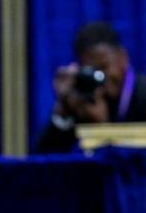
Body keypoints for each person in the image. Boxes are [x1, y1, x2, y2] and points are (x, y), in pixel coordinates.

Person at [33, 22, 146, 154]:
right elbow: (43, 161)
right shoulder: (82, 99)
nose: (101, 77)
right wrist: (62, 110)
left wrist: (101, 130)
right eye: (92, 70)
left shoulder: (143, 94)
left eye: (104, 67)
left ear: (123, 58)